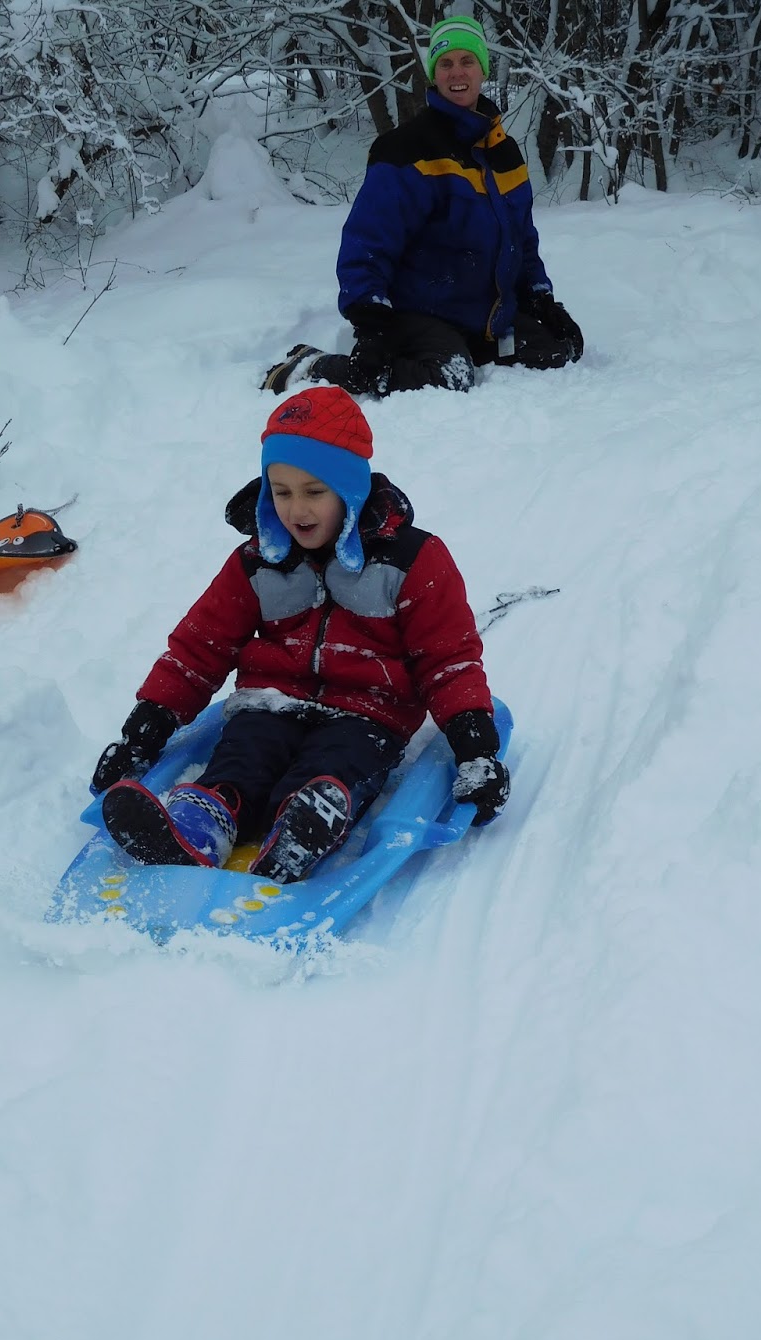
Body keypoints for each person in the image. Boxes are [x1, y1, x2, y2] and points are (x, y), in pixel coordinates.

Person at [90, 386, 509, 884]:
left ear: (350, 490)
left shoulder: (413, 560)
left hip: (367, 715)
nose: (296, 509)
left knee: (336, 765)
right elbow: (201, 646)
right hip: (270, 701)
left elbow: (448, 658)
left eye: (314, 491)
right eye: (281, 492)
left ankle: (305, 824)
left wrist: (475, 748)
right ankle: (196, 826)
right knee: (243, 758)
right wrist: (144, 729)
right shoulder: (257, 559)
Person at [263, 14, 583, 398]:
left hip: (484, 316)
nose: (456, 72)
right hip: (417, 312)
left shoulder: (506, 155)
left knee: (554, 352)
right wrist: (371, 319)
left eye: (467, 61)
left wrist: (541, 298)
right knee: (447, 376)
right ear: (434, 74)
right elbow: (368, 239)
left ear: (482, 69)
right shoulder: (405, 149)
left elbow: (521, 240)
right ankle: (312, 366)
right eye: (445, 64)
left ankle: (466, 347)